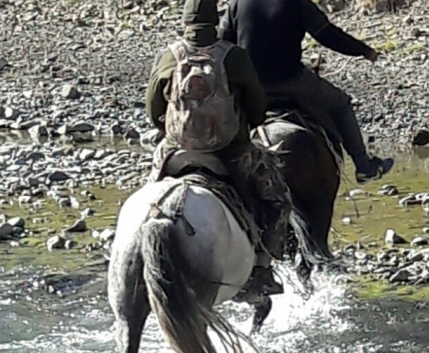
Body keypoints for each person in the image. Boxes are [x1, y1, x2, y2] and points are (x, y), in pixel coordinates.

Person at [145, 0, 291, 297]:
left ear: (185, 21)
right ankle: (262, 271)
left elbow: (152, 110)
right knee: (276, 197)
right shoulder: (233, 57)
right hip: (229, 153)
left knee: (150, 194)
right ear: (216, 21)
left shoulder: (168, 57)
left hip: (175, 153)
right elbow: (258, 107)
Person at [218, 0, 394, 183]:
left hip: (251, 86)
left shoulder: (238, 4)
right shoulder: (298, 3)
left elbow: (222, 43)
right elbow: (327, 35)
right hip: (291, 81)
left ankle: (219, 172)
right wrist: (363, 50)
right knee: (341, 104)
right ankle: (365, 167)